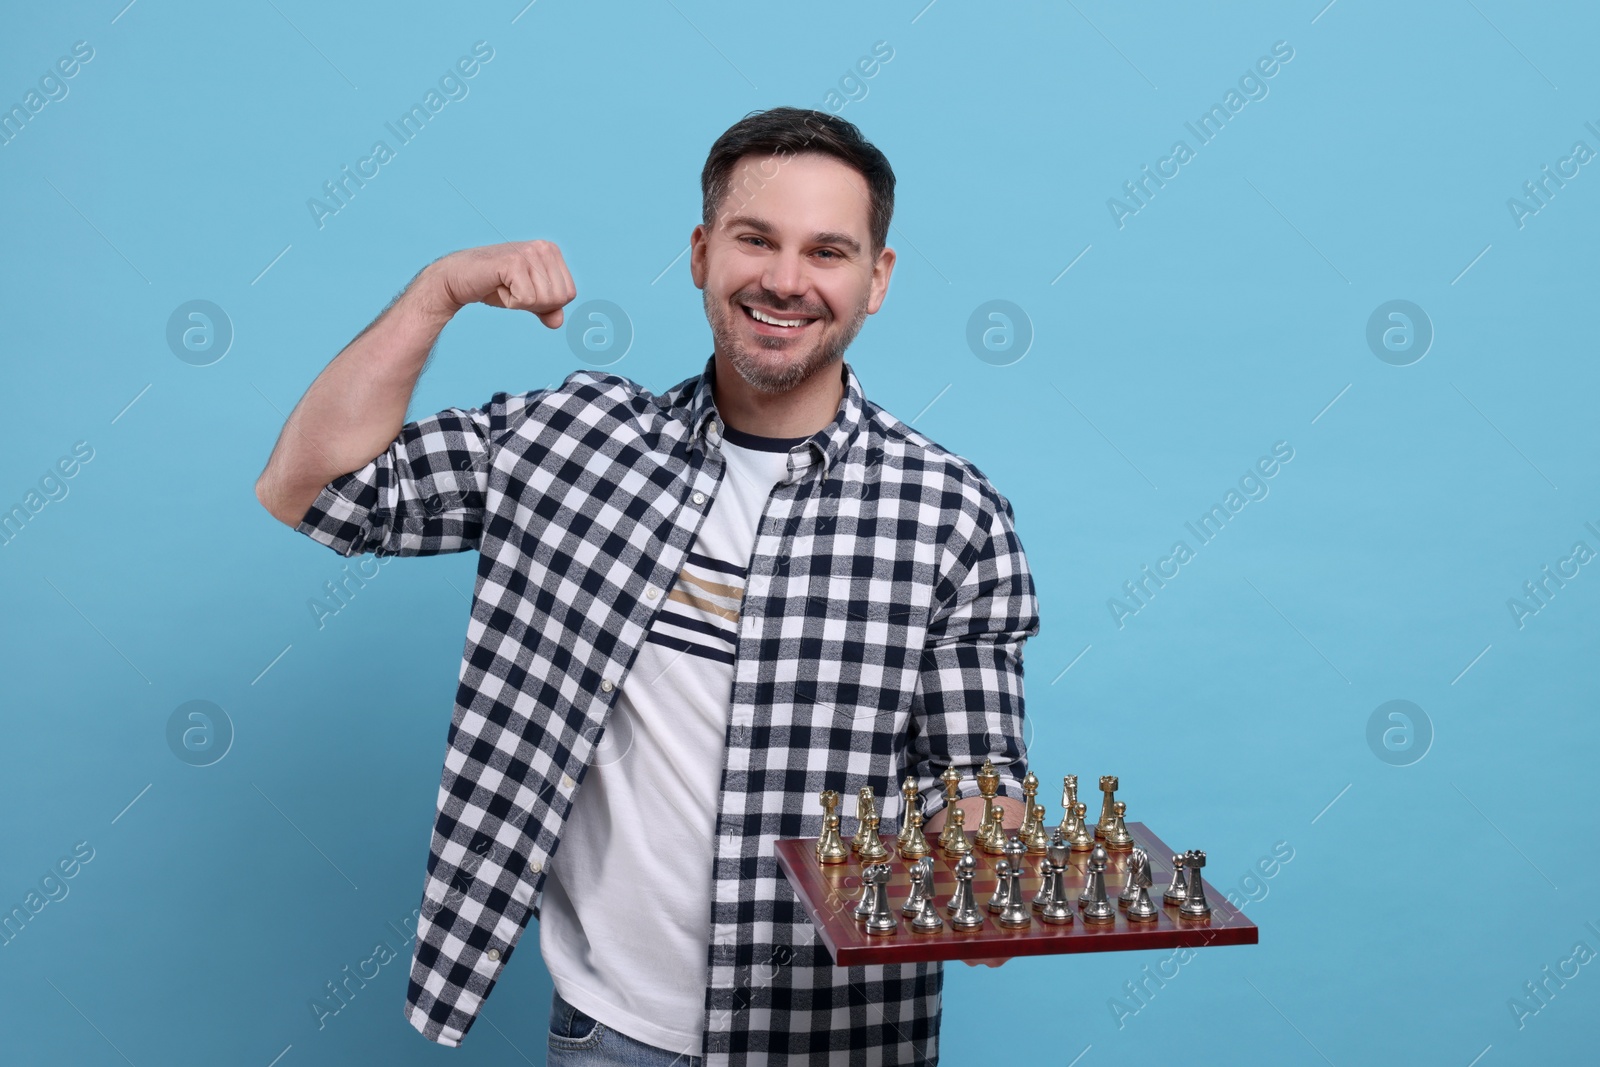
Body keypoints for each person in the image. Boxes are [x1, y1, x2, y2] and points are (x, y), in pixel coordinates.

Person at [255, 106, 1039, 1066]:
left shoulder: (954, 514)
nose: (786, 280)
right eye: (756, 240)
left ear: (876, 279)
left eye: (827, 251)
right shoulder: (572, 444)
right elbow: (309, 487)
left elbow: (974, 771)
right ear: (703, 252)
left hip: (838, 1041)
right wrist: (439, 291)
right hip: (609, 1037)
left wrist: (987, 860)